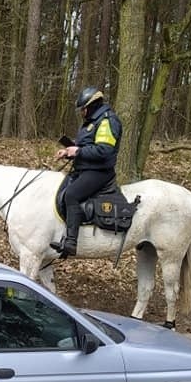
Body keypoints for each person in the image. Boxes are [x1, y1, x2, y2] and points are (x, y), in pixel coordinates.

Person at [50, 85, 122, 257]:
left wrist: (79, 151)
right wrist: (69, 152)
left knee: (72, 195)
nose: (81, 112)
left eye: (83, 109)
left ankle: (71, 243)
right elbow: (86, 146)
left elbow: (104, 150)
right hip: (86, 168)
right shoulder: (92, 122)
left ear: (91, 106)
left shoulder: (106, 121)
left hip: (100, 172)